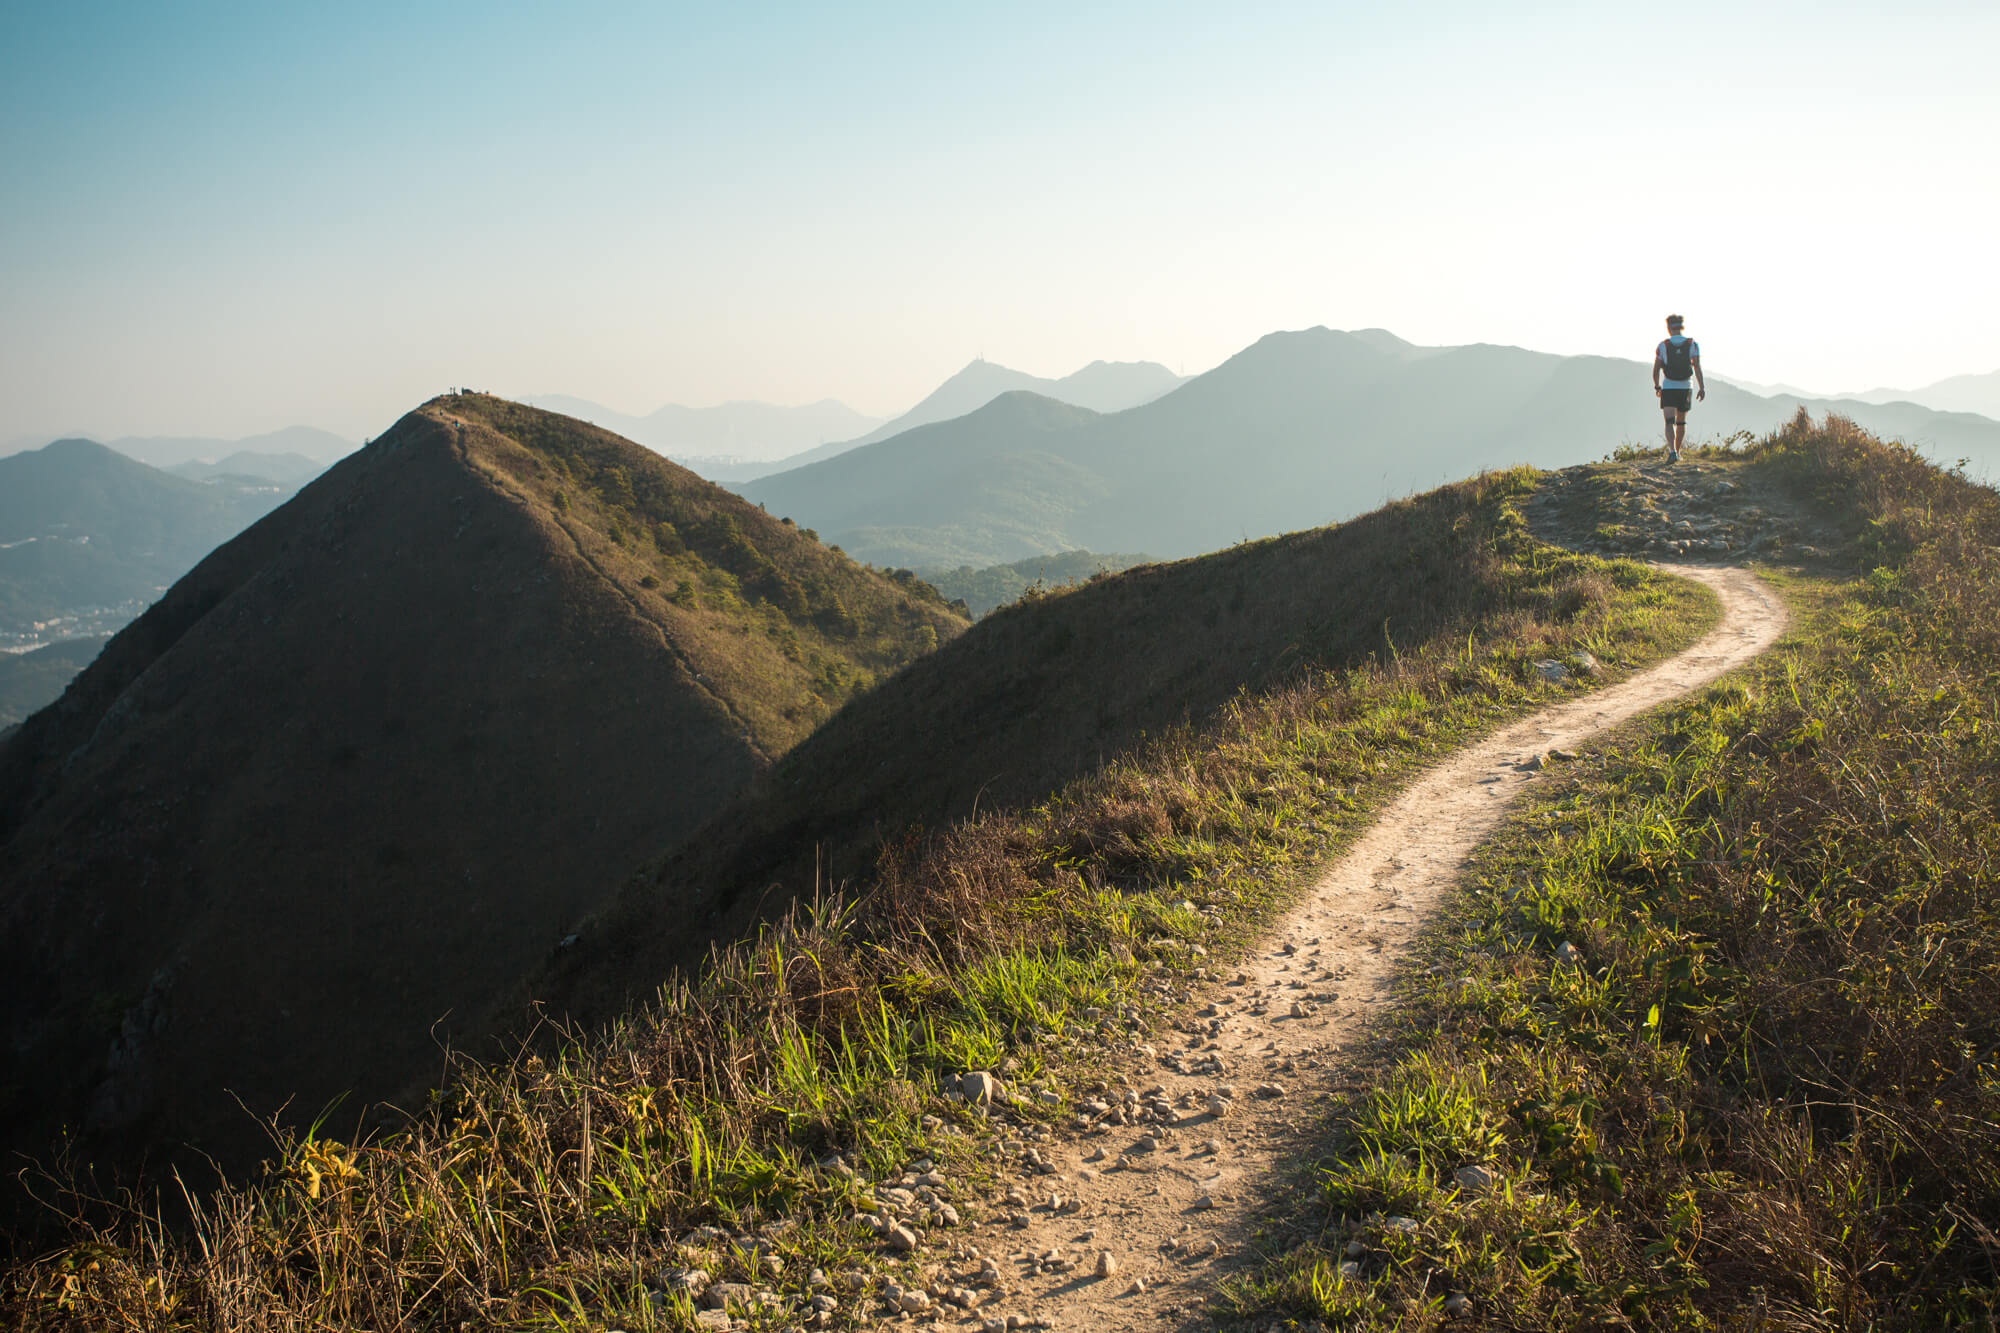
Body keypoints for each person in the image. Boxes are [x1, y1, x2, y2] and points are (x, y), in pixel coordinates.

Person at [1652, 315, 1704, 463]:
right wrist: (1701, 387)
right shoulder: (1692, 344)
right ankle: (1678, 451)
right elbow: (1697, 367)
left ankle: (1672, 451)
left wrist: (1657, 385)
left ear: (1669, 327)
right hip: (1686, 386)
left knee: (1669, 421)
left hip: (1669, 386)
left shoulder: (1663, 346)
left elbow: (1656, 369)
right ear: (1682, 327)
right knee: (1681, 421)